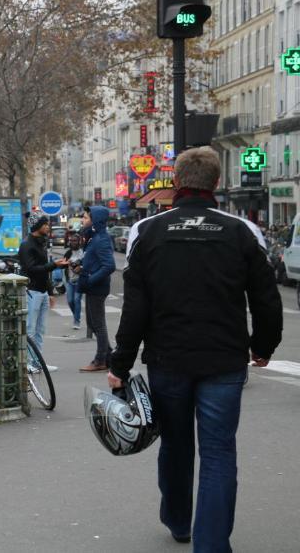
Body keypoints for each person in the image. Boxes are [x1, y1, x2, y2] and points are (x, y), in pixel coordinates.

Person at [108, 146, 282, 550]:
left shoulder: (147, 232)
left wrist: (120, 362)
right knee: (219, 452)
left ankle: (179, 519)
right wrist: (264, 346)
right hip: (224, 358)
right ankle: (212, 543)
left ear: (176, 181)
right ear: (217, 183)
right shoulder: (242, 231)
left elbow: (136, 308)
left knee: (176, 442)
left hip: (169, 359)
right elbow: (266, 298)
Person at [18, 211, 68, 369]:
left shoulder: (41, 242)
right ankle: (27, 363)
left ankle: (37, 362)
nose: (48, 227)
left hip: (42, 292)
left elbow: (45, 271)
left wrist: (50, 292)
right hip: (31, 291)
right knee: (30, 330)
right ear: (37, 226)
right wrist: (55, 265)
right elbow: (31, 269)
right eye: (45, 224)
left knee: (40, 330)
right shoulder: (27, 244)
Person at [75, 206, 116, 371]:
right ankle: (109, 356)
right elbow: (94, 261)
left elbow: (109, 266)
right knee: (92, 322)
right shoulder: (94, 237)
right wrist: (81, 267)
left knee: (98, 324)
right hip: (91, 285)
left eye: (85, 218)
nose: (82, 220)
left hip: (97, 287)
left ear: (94, 221)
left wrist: (91, 278)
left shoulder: (101, 239)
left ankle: (100, 360)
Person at [62, 232, 85, 329]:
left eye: (75, 241)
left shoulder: (83, 252)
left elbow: (88, 265)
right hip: (70, 280)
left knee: (76, 300)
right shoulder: (68, 253)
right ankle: (76, 315)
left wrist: (81, 267)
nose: (72, 242)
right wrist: (67, 264)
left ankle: (77, 321)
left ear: (79, 241)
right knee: (70, 301)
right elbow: (62, 264)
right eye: (71, 241)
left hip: (80, 280)